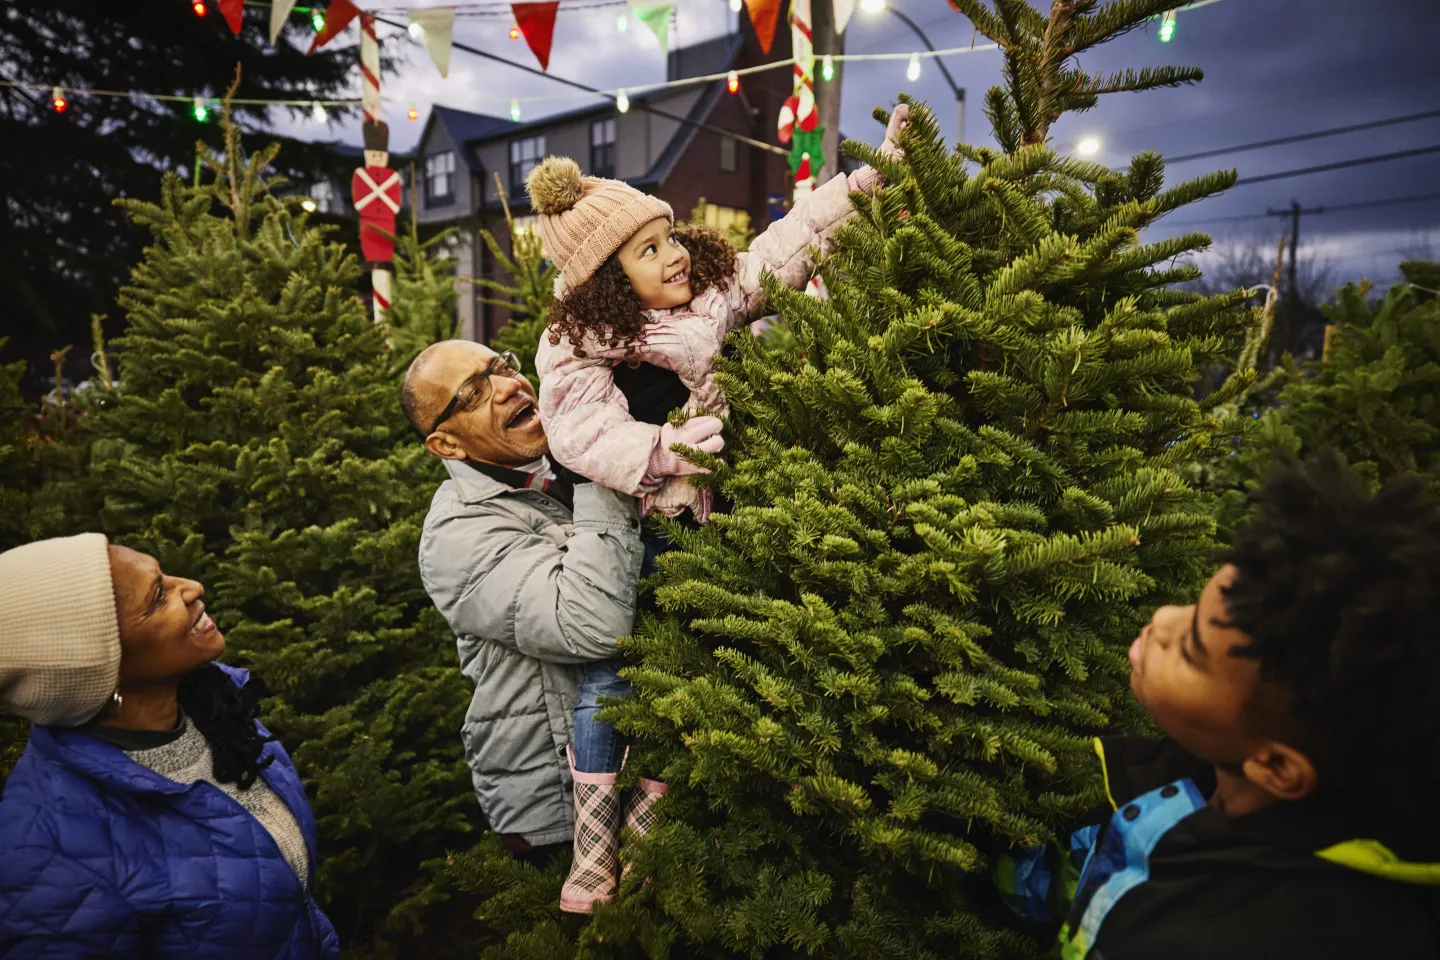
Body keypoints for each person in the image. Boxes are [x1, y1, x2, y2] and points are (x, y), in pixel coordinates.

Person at [518, 104, 911, 902]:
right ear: (603, 279)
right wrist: (662, 451)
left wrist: (866, 181)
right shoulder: (576, 341)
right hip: (622, 533)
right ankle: (591, 849)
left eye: (668, 237)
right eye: (647, 250)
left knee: (690, 661)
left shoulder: (710, 296)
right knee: (611, 678)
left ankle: (647, 829)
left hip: (702, 526)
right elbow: (577, 427)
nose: (672, 256)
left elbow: (785, 246)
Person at [996, 454, 1440, 959]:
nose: (1162, 618)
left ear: (1275, 765)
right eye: (1190, 608)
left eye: (1190, 650)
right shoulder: (1208, 778)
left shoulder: (1233, 938)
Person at [403, 338, 661, 914]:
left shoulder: (554, 466)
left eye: (501, 366)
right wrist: (601, 464)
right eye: (473, 392)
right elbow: (592, 627)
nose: (506, 386)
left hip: (650, 772)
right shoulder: (458, 537)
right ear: (444, 443)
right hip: (561, 817)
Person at [0, 533, 339, 959]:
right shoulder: (50, 858)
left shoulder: (217, 710)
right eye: (158, 597)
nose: (192, 587)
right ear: (102, 670)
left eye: (162, 574)